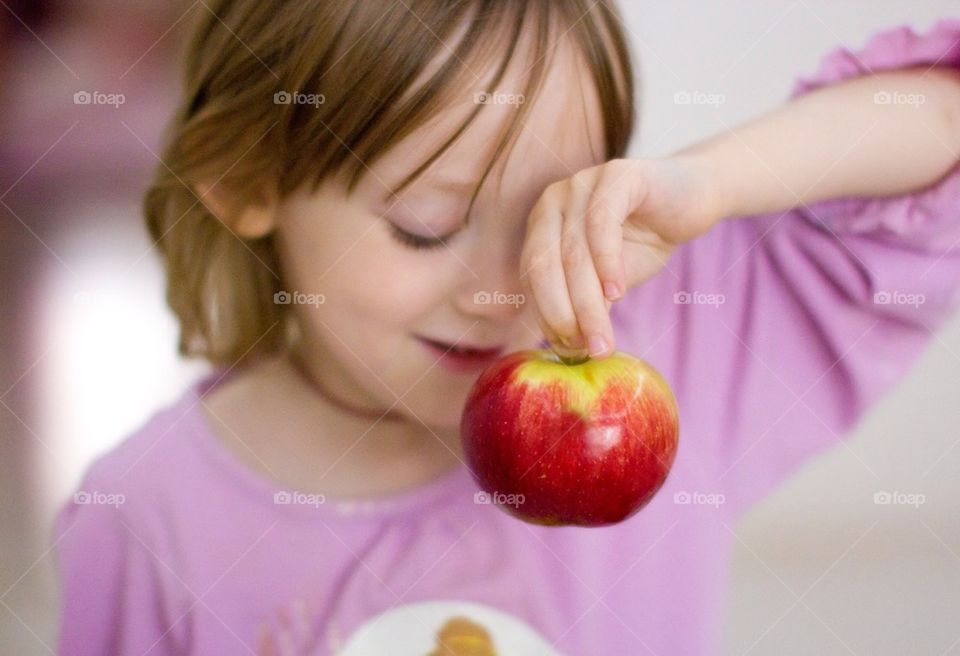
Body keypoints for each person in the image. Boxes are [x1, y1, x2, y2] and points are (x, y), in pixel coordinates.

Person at [53, 2, 960, 654]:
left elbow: (941, 127)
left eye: (547, 220)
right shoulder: (142, 516)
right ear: (250, 184)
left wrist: (711, 181)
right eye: (427, 226)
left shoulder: (677, 342)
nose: (502, 292)